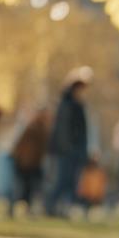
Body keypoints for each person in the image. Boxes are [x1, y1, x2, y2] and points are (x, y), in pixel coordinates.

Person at [45, 67, 92, 217]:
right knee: (63, 180)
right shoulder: (68, 105)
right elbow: (64, 130)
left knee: (71, 182)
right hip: (67, 150)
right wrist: (69, 149)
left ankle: (62, 209)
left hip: (74, 150)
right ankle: (51, 206)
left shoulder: (77, 105)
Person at [9, 107, 51, 217]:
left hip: (27, 163)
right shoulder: (37, 129)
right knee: (26, 188)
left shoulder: (34, 128)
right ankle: (19, 209)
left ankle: (19, 208)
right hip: (28, 164)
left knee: (25, 188)